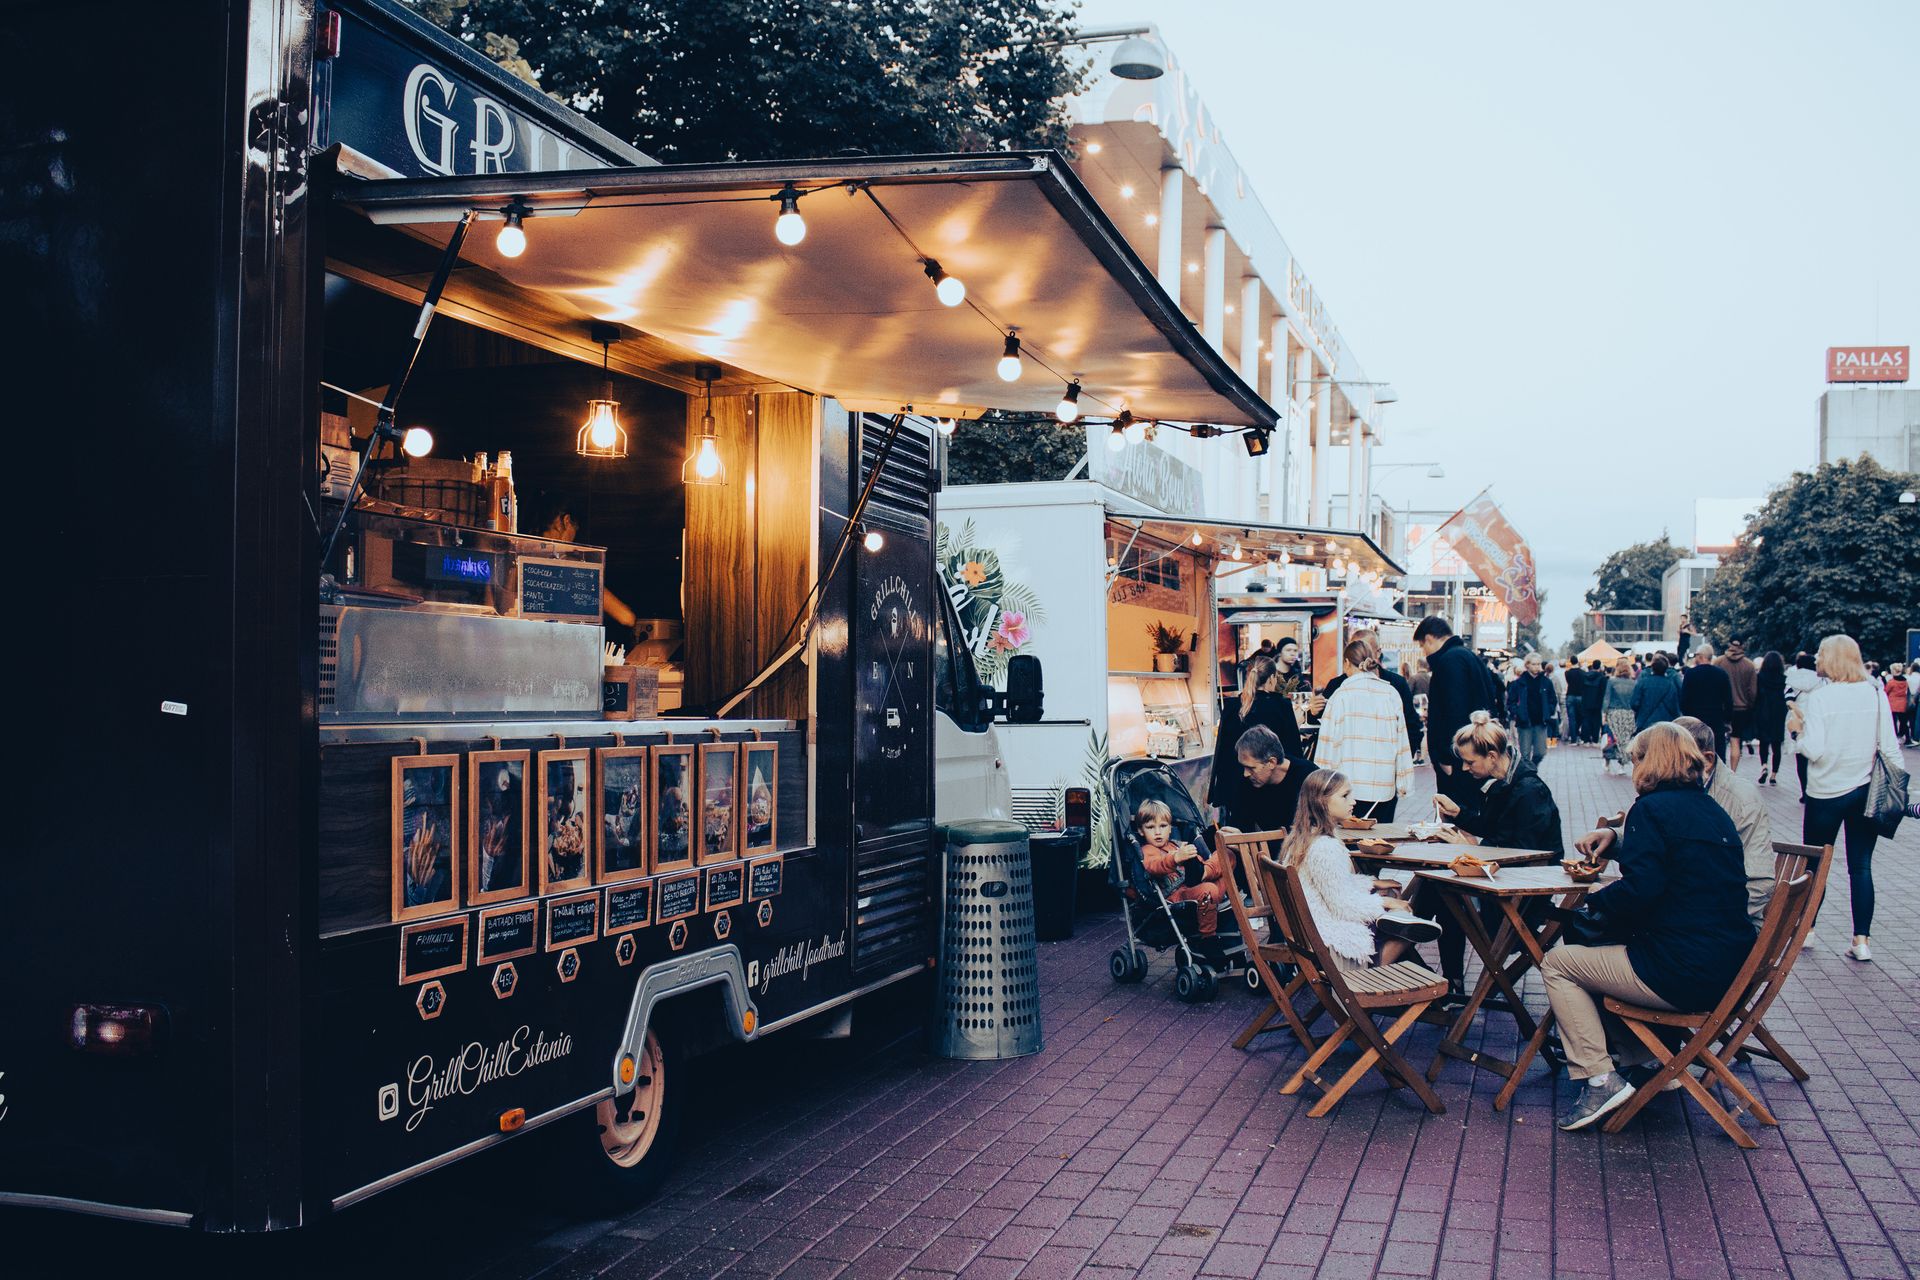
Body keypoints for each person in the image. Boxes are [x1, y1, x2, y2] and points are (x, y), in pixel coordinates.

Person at [1547, 723, 1753, 1131]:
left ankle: (1600, 1078)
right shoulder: (1714, 812)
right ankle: (1641, 1061)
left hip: (1678, 972)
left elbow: (1642, 890)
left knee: (1559, 962)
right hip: (1726, 969)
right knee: (1596, 956)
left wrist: (1592, 904)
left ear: (1650, 761)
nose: (1632, 765)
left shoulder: (1651, 809)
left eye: (1636, 758)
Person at [1789, 634, 1906, 963]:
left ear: (1833, 659)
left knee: (1816, 865)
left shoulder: (1822, 698)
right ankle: (1861, 939)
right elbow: (1890, 746)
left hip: (1825, 792)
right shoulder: (1874, 692)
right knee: (1861, 865)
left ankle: (1807, 929)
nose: (1817, 660)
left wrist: (1797, 729)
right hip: (1866, 791)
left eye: (1822, 655)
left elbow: (1815, 750)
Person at [1274, 770, 1441, 975]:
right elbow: (1342, 905)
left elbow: (1330, 885)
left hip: (1307, 928)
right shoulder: (1325, 847)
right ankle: (1382, 968)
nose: (1353, 801)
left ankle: (1419, 973)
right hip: (1326, 935)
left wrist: (1371, 883)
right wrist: (1384, 903)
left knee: (1394, 905)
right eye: (1345, 796)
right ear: (1321, 801)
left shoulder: (1303, 837)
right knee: (1407, 911)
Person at [1674, 716, 1774, 927]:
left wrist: (1692, 918)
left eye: (1673, 760)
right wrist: (1614, 837)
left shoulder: (1740, 799)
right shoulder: (1679, 787)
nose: (1661, 768)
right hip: (1685, 918)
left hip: (1723, 927)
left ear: (1707, 761)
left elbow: (1758, 883)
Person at [1413, 615, 1506, 826]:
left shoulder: (1450, 661)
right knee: (1470, 812)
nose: (1424, 652)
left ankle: (1458, 857)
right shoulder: (1467, 657)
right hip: (1472, 752)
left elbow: (1455, 710)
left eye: (1422, 645)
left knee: (1455, 815)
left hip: (1458, 758)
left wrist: (1447, 757)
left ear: (1429, 639)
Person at [1431, 711, 1566, 854]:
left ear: (1491, 756)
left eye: (1470, 762)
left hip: (1537, 873)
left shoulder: (1530, 791)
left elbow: (1523, 855)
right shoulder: (1501, 781)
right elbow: (1491, 828)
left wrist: (1468, 850)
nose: (1464, 768)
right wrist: (1457, 812)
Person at [1316, 638, 1413, 822]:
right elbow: (1402, 742)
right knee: (1380, 841)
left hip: (1346, 788)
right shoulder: (1390, 694)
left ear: (1346, 663)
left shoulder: (1341, 695)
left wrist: (1321, 783)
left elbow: (1327, 742)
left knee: (1348, 842)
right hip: (1383, 787)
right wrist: (1404, 783)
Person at [1210, 654, 1305, 821]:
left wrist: (1220, 791)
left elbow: (1222, 753)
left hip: (1236, 788)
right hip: (1271, 789)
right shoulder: (1281, 707)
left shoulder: (1232, 707)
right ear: (1272, 678)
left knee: (1241, 838)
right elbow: (1293, 751)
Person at [1134, 798, 1232, 948]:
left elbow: (1196, 863)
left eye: (1163, 826)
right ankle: (1208, 939)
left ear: (1170, 827)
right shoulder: (1148, 850)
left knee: (1227, 855)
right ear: (1141, 831)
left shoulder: (1175, 844)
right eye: (1151, 827)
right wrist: (1175, 858)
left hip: (1195, 882)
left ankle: (1205, 871)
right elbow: (1154, 866)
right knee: (1209, 889)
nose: (1158, 832)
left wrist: (1193, 857)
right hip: (1177, 895)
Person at [1221, 724, 1322, 835]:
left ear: (1271, 763)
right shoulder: (1247, 782)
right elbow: (1239, 825)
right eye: (1243, 767)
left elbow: (1324, 822)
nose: (1246, 774)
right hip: (1267, 849)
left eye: (1251, 768)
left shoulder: (1308, 775)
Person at [1681, 642, 1735, 761]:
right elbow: (1728, 700)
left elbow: (1684, 700)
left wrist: (1687, 716)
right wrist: (1727, 720)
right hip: (1716, 719)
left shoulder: (1690, 674)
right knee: (1717, 753)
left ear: (1700, 656)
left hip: (1695, 720)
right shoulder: (1721, 674)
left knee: (1695, 752)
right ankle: (1716, 776)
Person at [1716, 638, 1760, 771]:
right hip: (1741, 709)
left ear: (1729, 644)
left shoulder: (1719, 662)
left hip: (1721, 708)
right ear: (1743, 645)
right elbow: (1753, 691)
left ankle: (1719, 770)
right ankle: (1733, 772)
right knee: (1735, 741)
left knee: (1719, 740)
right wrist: (1750, 705)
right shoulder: (1749, 665)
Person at [1506, 654, 1555, 766]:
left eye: (1538, 664)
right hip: (1525, 722)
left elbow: (1552, 699)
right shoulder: (1519, 683)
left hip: (1541, 721)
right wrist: (1517, 712)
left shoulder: (1546, 682)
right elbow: (1510, 701)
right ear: (1527, 665)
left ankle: (1532, 769)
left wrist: (1549, 711)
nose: (1537, 667)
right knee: (1525, 754)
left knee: (1541, 752)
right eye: (1534, 664)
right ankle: (1528, 777)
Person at [1785, 651, 1821, 800]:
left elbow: (1788, 700)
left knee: (1800, 757)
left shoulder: (1791, 680)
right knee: (1814, 756)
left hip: (1796, 718)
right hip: (1815, 718)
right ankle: (1813, 788)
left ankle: (1804, 791)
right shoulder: (1821, 680)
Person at [1752, 650, 1789, 786]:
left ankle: (1764, 766)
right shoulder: (1784, 680)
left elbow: (1755, 696)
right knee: (1776, 745)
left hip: (1763, 712)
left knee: (1764, 742)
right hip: (1778, 714)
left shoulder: (1759, 678)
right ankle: (1774, 774)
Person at [1601, 657, 1638, 775]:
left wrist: (1604, 714)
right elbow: (1635, 701)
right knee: (1624, 740)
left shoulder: (1612, 681)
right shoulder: (1634, 683)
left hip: (1614, 713)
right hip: (1628, 714)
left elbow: (1606, 698)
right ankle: (1622, 765)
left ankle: (1607, 762)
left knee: (1611, 739)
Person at [1630, 654, 1682, 727]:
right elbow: (1675, 705)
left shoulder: (1643, 682)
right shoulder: (1670, 684)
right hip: (1666, 722)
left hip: (1645, 720)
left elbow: (1634, 703)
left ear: (1652, 667)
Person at [1885, 662, 1911, 747]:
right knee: (1903, 722)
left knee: (1893, 722)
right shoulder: (1905, 681)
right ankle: (1907, 739)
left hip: (1892, 703)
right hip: (1903, 703)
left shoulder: (1891, 682)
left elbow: (1886, 691)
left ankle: (1895, 738)